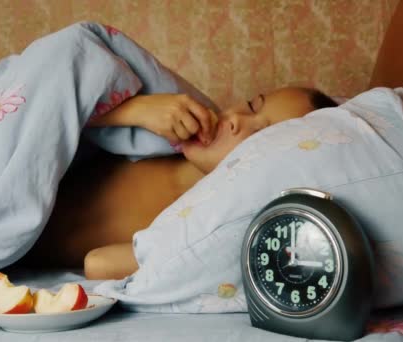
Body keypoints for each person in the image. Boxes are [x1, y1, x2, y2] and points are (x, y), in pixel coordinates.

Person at [19, 86, 338, 280]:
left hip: (8, 242)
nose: (237, 119)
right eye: (253, 105)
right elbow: (43, 118)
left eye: (259, 137)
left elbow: (99, 263)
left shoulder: (204, 223)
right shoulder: (166, 122)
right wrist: (132, 110)